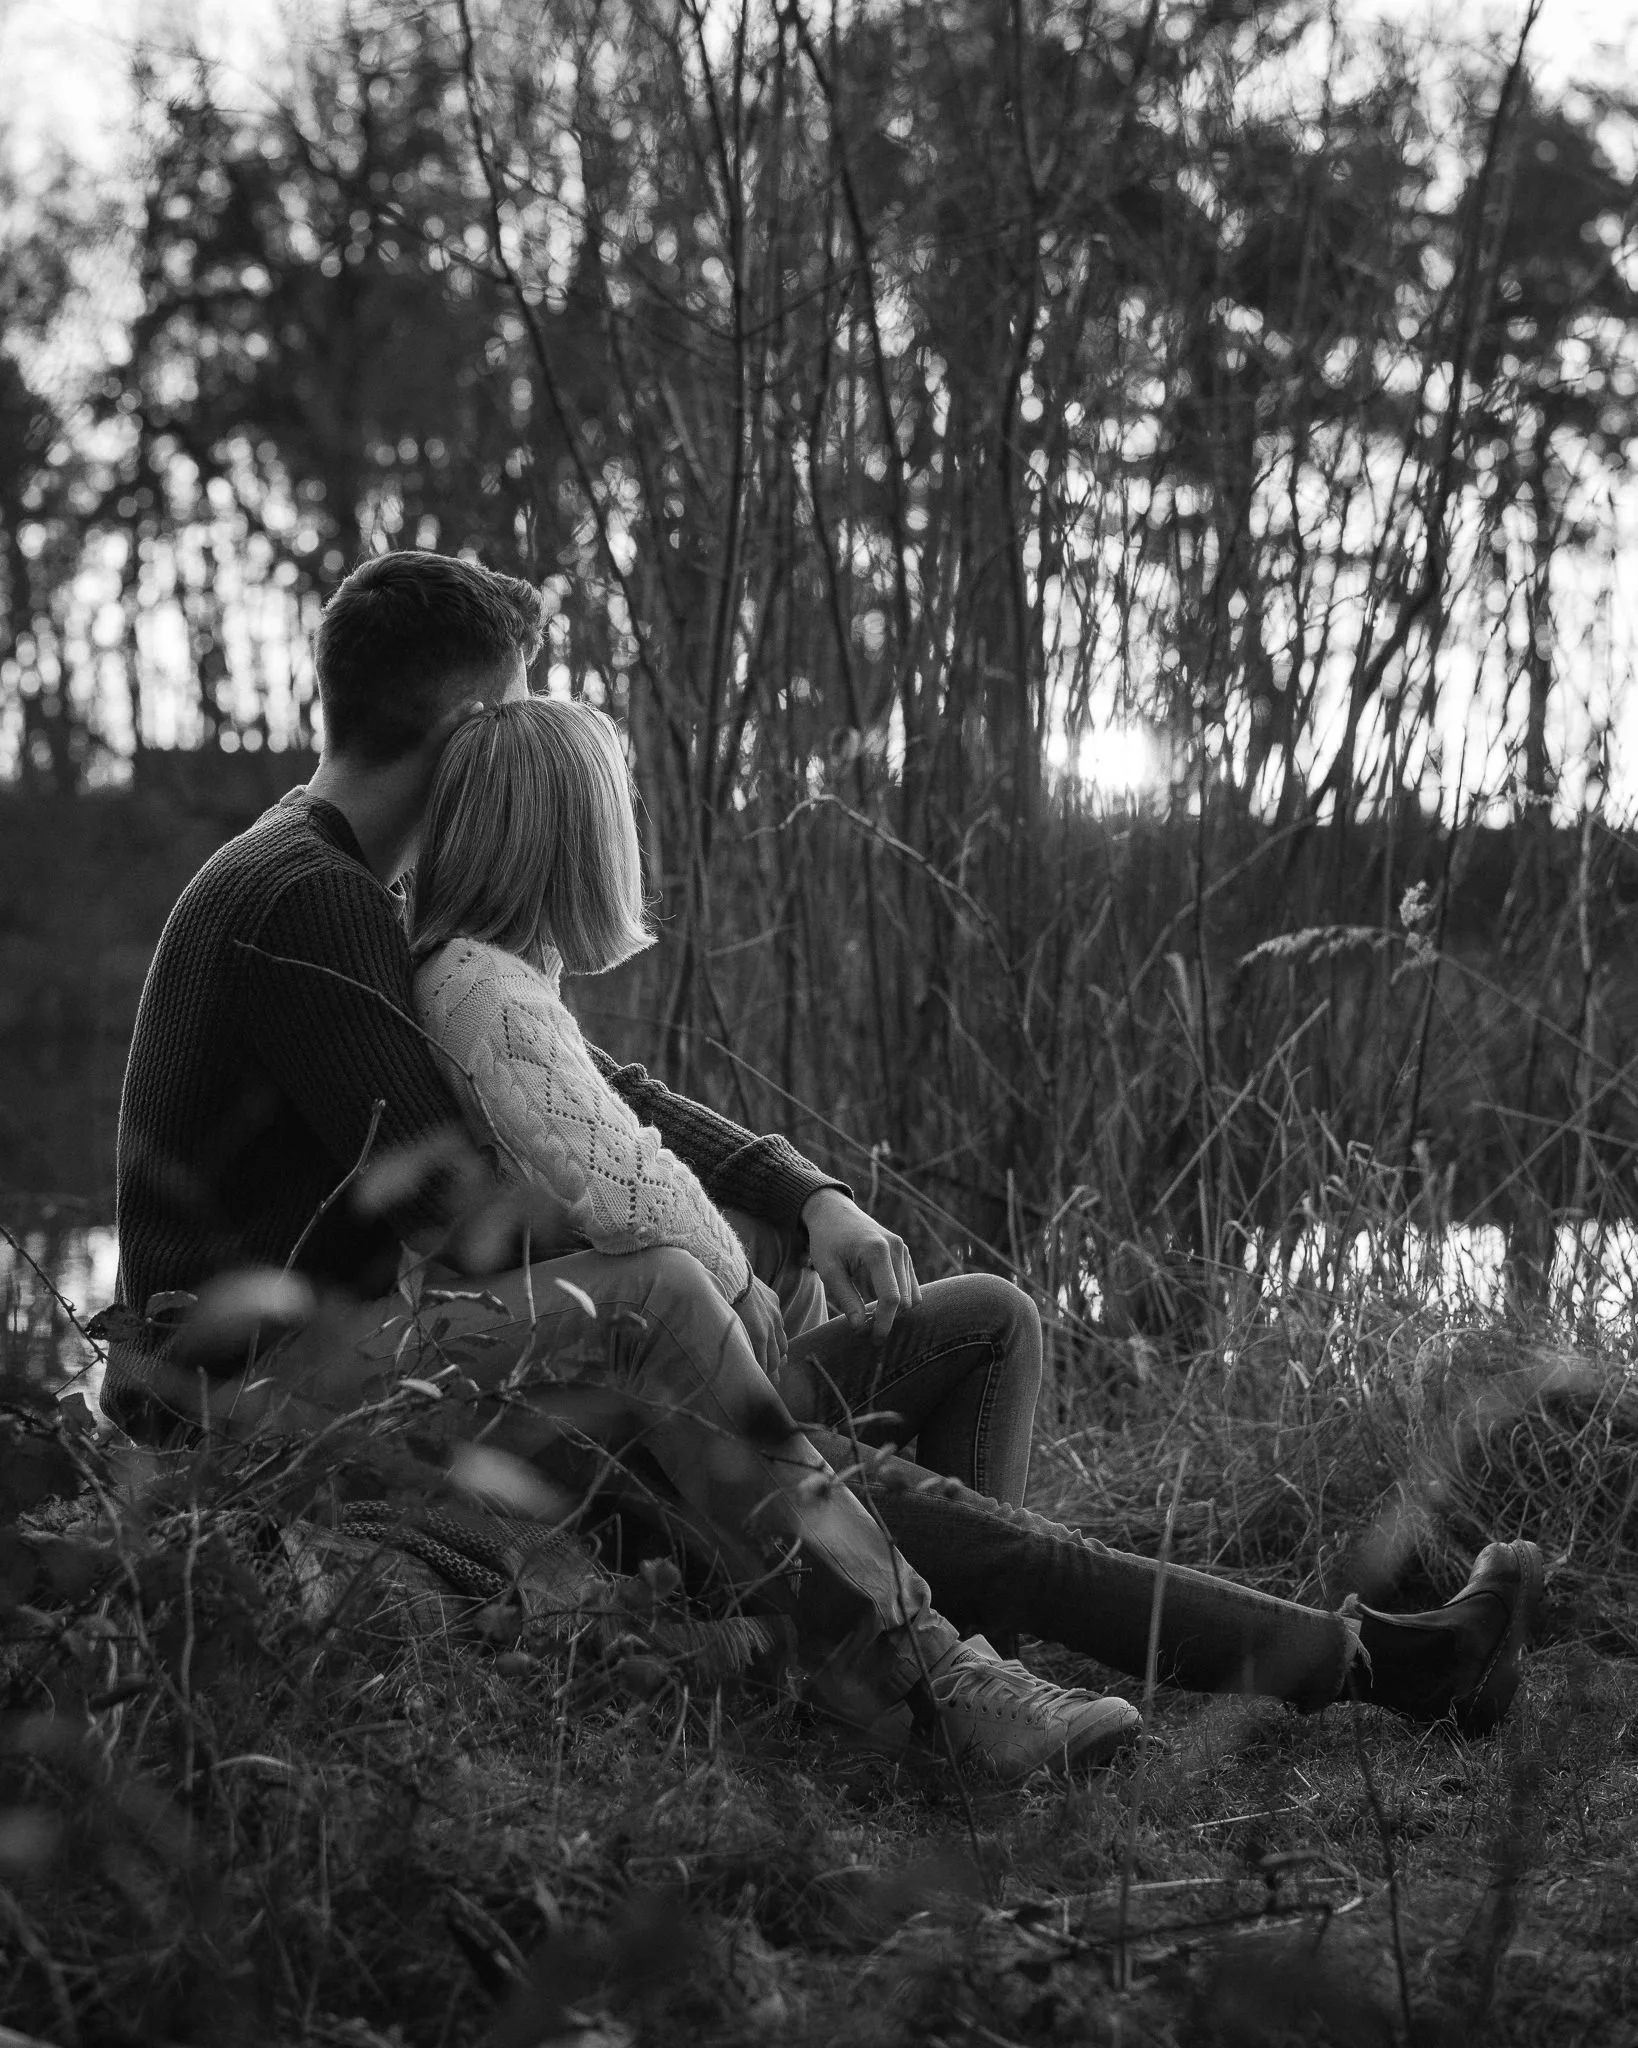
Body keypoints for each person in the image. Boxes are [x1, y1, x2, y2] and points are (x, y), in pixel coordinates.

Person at [105, 551, 1540, 1776]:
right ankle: (1340, 1663)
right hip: (266, 1403)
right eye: (527, 702)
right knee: (689, 1318)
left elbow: (593, 1085)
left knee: (966, 1326)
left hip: (404, 1360)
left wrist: (800, 1192)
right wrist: (710, 1292)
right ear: (482, 719)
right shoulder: (307, 903)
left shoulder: (344, 888)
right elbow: (461, 1221)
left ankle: (968, 1627)